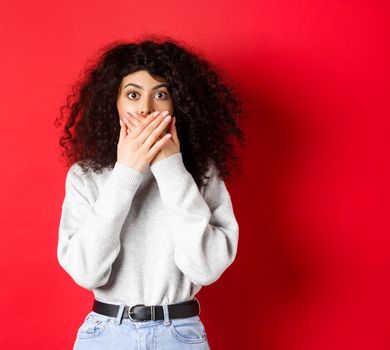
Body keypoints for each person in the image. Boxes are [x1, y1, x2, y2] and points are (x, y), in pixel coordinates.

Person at [54, 35, 246, 349]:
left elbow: (206, 268)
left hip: (180, 334)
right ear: (114, 103)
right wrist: (126, 173)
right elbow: (87, 273)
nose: (145, 108)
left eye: (160, 94)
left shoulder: (202, 174)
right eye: (132, 94)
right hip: (106, 334)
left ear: (177, 105)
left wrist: (171, 168)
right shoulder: (86, 176)